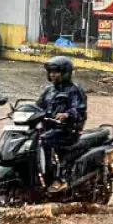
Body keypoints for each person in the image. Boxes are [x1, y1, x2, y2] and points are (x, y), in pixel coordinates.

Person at [36, 56, 87, 193]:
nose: (52, 75)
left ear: (65, 73)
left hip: (67, 131)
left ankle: (58, 178)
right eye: (51, 72)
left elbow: (79, 110)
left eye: (56, 72)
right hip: (49, 128)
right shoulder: (49, 90)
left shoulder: (74, 90)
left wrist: (67, 115)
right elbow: (38, 107)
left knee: (44, 140)